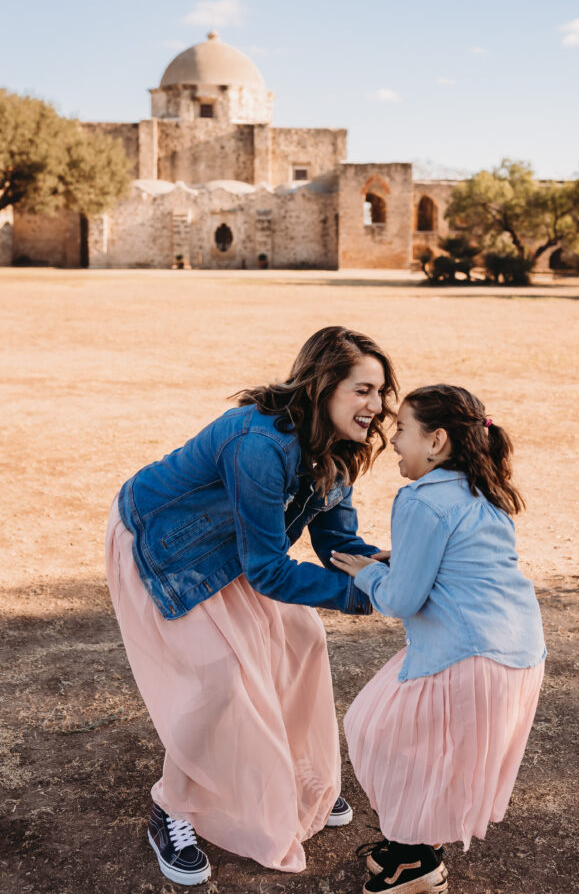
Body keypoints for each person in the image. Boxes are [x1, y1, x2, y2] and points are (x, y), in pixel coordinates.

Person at [105, 326, 398, 884]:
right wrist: (368, 598)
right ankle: (169, 805)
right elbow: (267, 570)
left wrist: (389, 568)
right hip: (169, 543)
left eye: (380, 391)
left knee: (303, 637)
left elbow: (338, 544)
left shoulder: (337, 447)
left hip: (235, 548)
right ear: (322, 386)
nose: (377, 406)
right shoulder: (258, 445)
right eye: (363, 390)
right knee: (219, 677)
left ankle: (301, 780)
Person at [332, 384, 546, 894]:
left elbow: (401, 601)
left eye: (402, 430)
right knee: (428, 747)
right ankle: (417, 847)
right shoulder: (480, 489)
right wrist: (396, 559)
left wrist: (367, 573)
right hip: (516, 651)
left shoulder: (420, 500)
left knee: (375, 729)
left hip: (470, 653)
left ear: (437, 441)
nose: (394, 441)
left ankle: (414, 864)